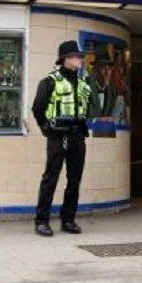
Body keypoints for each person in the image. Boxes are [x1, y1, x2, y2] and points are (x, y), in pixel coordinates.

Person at [31, 40, 93, 237]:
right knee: (51, 178)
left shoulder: (84, 83)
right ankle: (42, 221)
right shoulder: (49, 81)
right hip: (57, 135)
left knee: (74, 180)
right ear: (66, 59)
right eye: (76, 56)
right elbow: (37, 108)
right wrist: (46, 128)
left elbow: (88, 107)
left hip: (77, 135)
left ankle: (68, 219)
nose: (80, 60)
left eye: (80, 56)